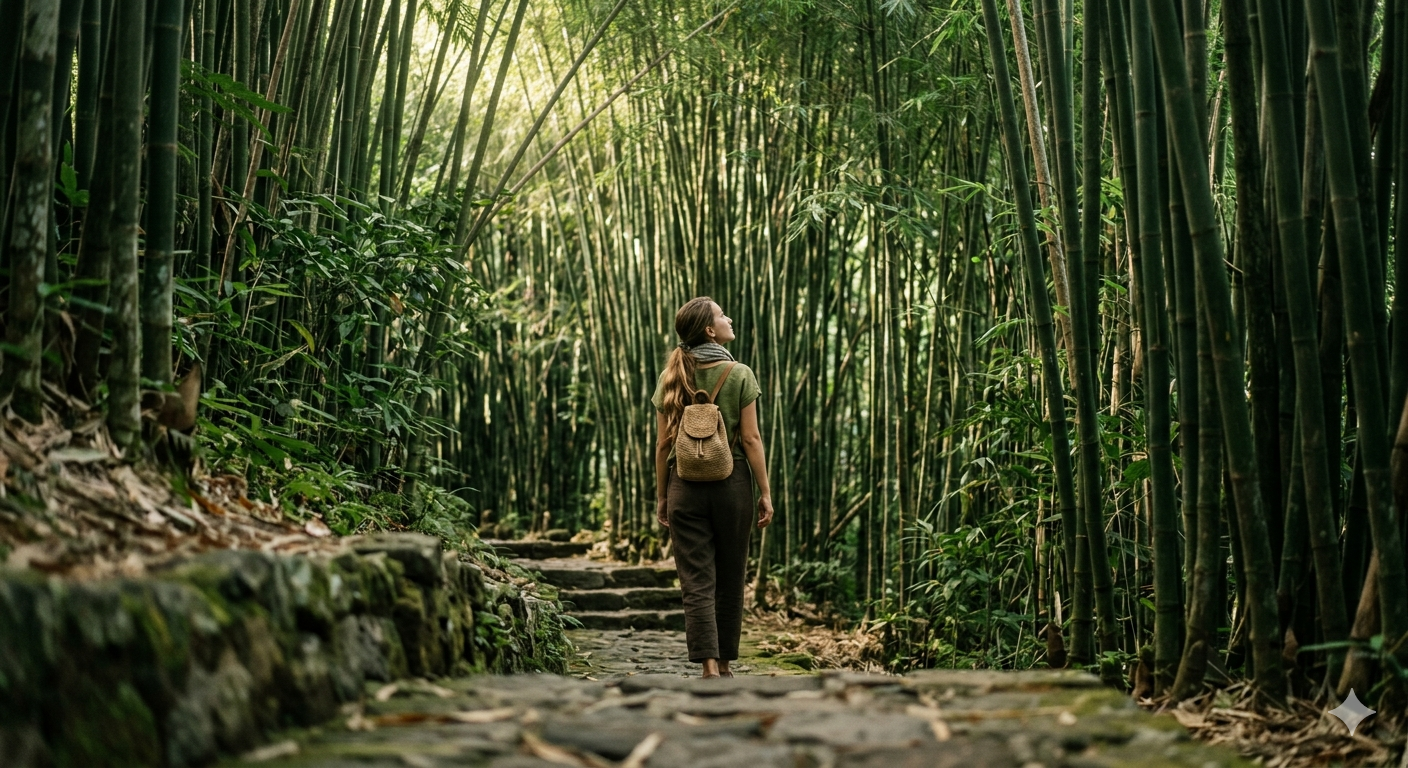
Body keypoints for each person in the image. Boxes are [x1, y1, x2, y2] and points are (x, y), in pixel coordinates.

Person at [652, 297, 773, 679]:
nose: (729, 319)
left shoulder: (672, 375)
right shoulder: (739, 373)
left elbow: (662, 445)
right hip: (732, 483)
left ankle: (707, 667)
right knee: (730, 575)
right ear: (709, 330)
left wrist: (661, 495)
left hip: (683, 486)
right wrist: (765, 492)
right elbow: (751, 439)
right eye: (722, 315)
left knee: (696, 579)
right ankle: (724, 664)